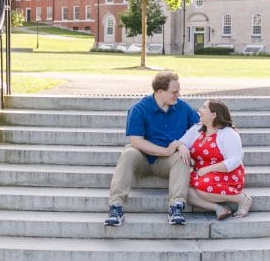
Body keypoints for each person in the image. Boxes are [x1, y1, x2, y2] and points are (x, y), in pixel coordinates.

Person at [104, 71, 199, 226]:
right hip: (143, 158)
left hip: (168, 162)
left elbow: (198, 130)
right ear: (160, 92)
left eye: (178, 91)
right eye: (174, 92)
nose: (178, 95)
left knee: (182, 158)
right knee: (128, 152)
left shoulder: (183, 108)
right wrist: (166, 150)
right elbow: (136, 141)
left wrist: (182, 145)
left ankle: (176, 207)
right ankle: (116, 207)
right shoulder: (139, 109)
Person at [178, 99, 253, 219]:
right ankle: (218, 208)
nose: (199, 110)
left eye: (203, 108)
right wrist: (181, 147)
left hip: (226, 174)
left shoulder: (229, 134)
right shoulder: (197, 129)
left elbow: (235, 160)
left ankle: (242, 199)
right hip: (201, 174)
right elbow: (182, 142)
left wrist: (208, 169)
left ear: (213, 115)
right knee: (182, 189)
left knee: (203, 188)